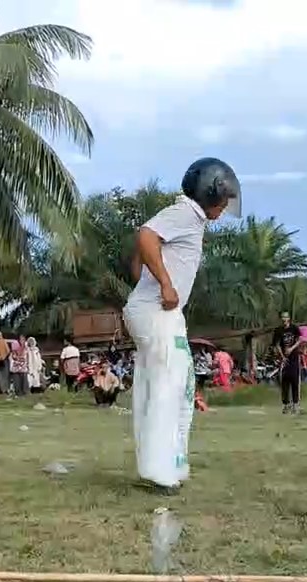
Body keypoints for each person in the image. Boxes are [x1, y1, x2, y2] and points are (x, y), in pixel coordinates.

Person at [124, 156, 240, 492]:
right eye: (223, 198)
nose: (224, 207)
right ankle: (161, 472)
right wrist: (165, 283)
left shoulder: (190, 218)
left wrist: (149, 275)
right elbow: (146, 236)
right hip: (157, 310)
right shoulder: (185, 213)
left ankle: (163, 465)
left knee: (173, 383)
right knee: (168, 386)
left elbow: (144, 243)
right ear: (209, 192)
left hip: (159, 311)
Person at [272, 311, 304, 414]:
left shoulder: (294, 328)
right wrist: (282, 356)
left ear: (289, 318)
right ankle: (286, 405)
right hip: (284, 359)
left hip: (294, 357)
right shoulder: (278, 330)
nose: (284, 319)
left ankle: (295, 404)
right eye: (282, 317)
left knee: (295, 381)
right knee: (285, 382)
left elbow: (300, 340)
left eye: (286, 317)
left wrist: (291, 348)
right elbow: (276, 345)